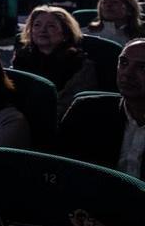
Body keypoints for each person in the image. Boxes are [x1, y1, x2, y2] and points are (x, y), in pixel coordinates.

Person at [58, 38, 145, 178]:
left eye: (142, 67)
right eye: (123, 63)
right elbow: (58, 171)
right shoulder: (85, 111)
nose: (127, 74)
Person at [12, 6, 99, 118]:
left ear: (65, 33)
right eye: (37, 25)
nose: (42, 30)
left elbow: (74, 105)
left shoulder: (79, 63)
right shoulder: (21, 57)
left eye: (51, 26)